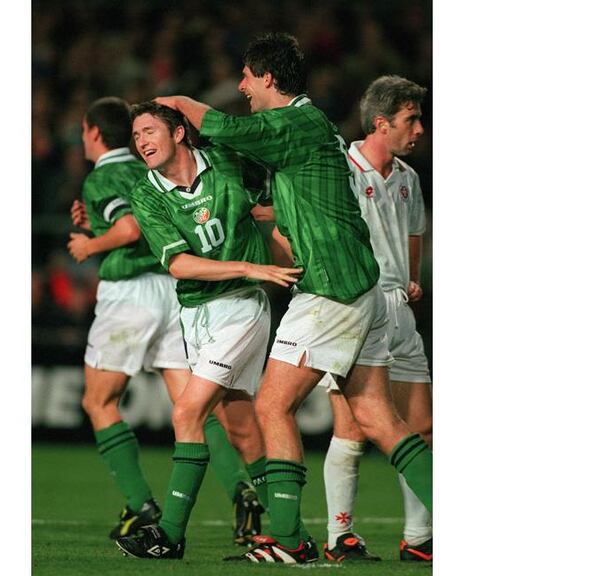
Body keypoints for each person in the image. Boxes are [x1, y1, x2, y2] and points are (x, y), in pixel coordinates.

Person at [156, 33, 433, 564]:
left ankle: (287, 539)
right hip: (364, 288)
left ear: (266, 77)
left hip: (329, 288)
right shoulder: (310, 128)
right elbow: (273, 183)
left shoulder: (294, 122)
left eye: (246, 76)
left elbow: (215, 122)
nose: (241, 87)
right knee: (376, 416)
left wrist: (171, 105)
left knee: (272, 405)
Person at [69, 96, 264, 545]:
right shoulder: (156, 170)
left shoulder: (105, 177)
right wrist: (94, 223)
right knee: (194, 407)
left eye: (84, 131)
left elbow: (131, 227)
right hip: (173, 292)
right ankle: (243, 490)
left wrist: (90, 246)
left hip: (130, 296)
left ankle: (141, 505)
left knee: (98, 403)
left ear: (95, 133)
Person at [114, 102, 302, 560]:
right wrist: (250, 261)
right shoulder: (148, 193)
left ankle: (169, 535)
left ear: (179, 132)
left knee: (187, 413)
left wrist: (278, 231)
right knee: (240, 428)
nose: (141, 141)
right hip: (196, 313)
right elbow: (178, 264)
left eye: (149, 130)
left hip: (241, 306)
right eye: (136, 135)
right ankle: (289, 535)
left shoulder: (226, 161)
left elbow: (278, 189)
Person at [318, 75, 433, 563]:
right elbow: (290, 225)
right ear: (381, 123)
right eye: (412, 119)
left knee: (424, 426)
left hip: (399, 311)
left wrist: (410, 277)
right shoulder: (340, 170)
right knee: (352, 428)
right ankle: (339, 535)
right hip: (355, 308)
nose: (421, 128)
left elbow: (413, 232)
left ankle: (420, 538)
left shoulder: (406, 177)